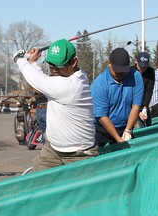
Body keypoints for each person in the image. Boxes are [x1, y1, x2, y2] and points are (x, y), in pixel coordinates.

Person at [14, 39, 98, 171]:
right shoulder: (75, 75)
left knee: (79, 191)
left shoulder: (72, 86)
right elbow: (42, 80)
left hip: (79, 154)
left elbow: (38, 80)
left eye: (59, 65)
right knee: (35, 184)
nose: (54, 69)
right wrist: (32, 62)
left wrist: (20, 59)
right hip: (52, 149)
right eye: (51, 64)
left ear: (74, 62)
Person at [91, 48, 144, 146]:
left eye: (123, 71)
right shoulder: (99, 84)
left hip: (124, 127)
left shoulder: (136, 77)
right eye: (117, 71)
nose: (120, 74)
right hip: (101, 128)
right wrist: (118, 140)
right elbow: (102, 116)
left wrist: (128, 130)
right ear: (109, 63)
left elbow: (136, 105)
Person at [131, 52, 155, 127]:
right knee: (139, 124)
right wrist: (138, 111)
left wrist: (145, 107)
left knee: (148, 123)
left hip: (144, 101)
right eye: (141, 66)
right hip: (132, 104)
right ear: (136, 62)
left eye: (145, 67)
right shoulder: (130, 72)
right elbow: (129, 93)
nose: (142, 69)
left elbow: (149, 90)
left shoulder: (150, 72)